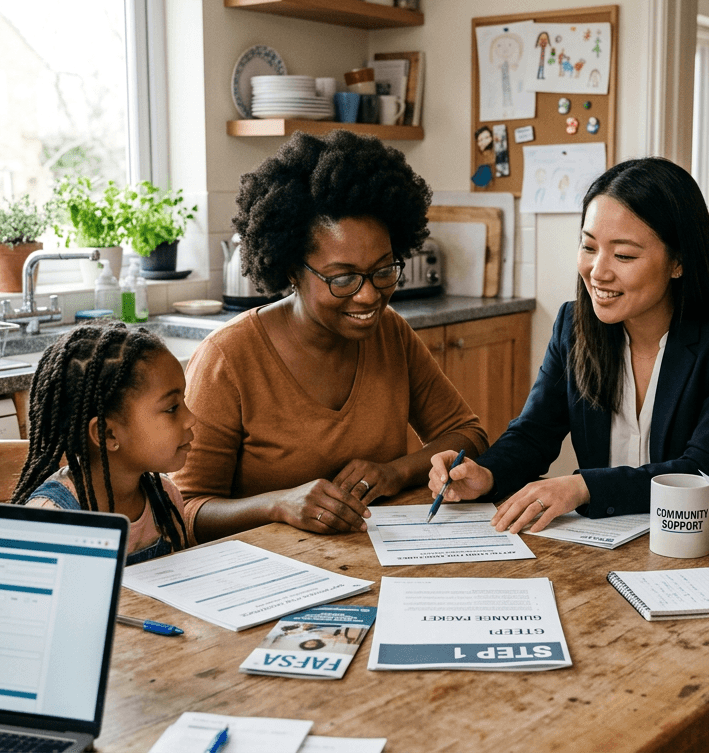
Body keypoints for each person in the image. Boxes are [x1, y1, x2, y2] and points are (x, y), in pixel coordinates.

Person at [428, 157, 709, 534]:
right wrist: (487, 473)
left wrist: (582, 487)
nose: (598, 271)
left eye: (624, 255)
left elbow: (705, 470)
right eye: (589, 247)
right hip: (607, 542)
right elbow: (534, 433)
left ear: (679, 261)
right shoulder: (574, 325)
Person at [174, 131, 488, 541]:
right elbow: (186, 509)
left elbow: (468, 434)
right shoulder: (229, 358)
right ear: (291, 269)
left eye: (383, 270)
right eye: (342, 279)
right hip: (268, 577)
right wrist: (278, 504)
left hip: (372, 558)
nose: (369, 294)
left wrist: (393, 473)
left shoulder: (390, 333)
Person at [11, 323, 196, 565]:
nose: (191, 418)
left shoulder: (165, 497)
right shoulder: (51, 520)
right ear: (108, 434)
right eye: (172, 408)